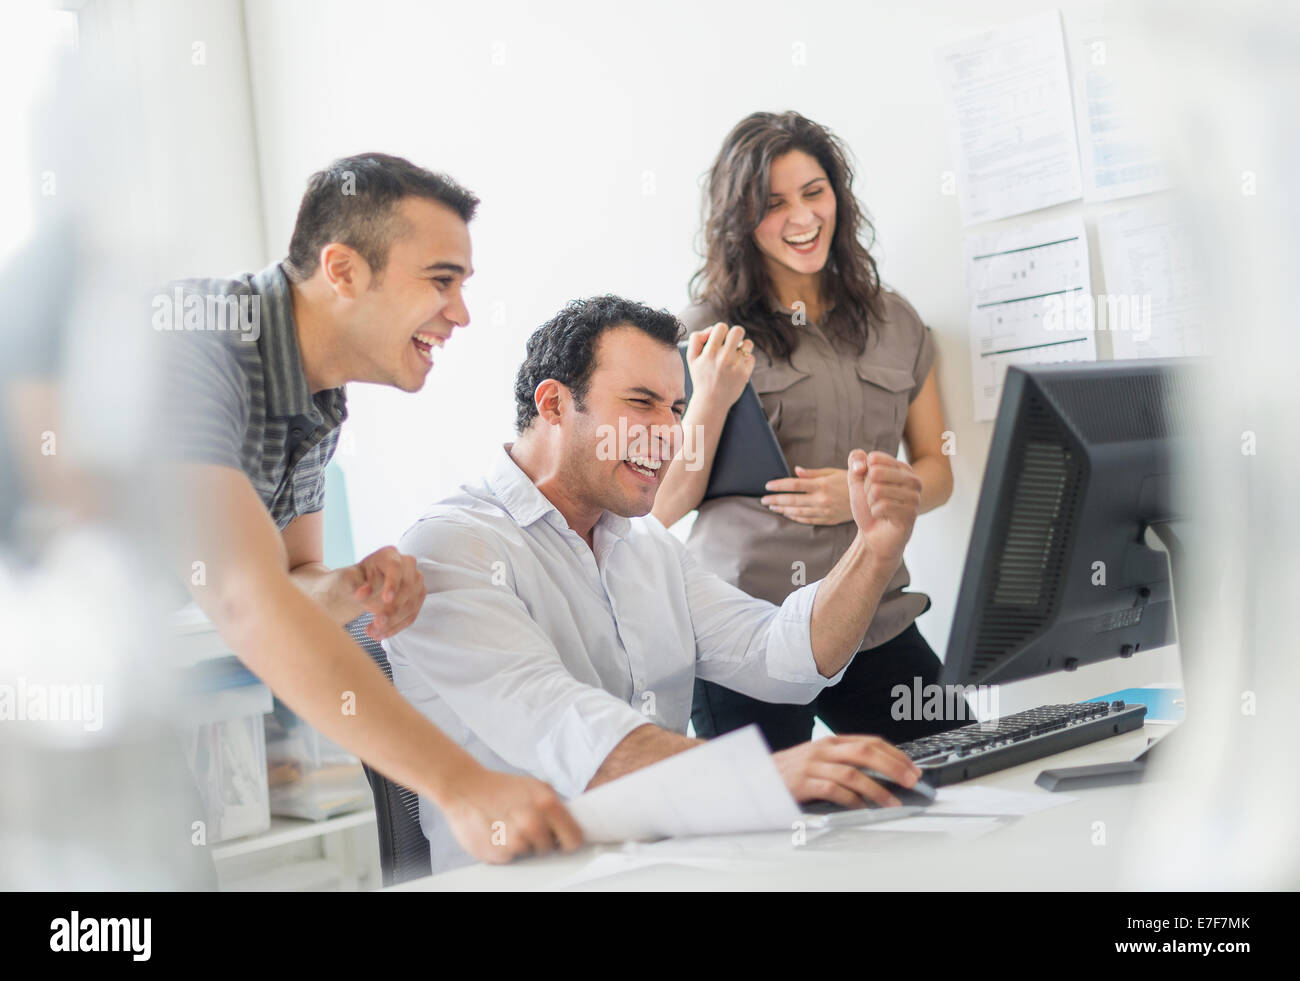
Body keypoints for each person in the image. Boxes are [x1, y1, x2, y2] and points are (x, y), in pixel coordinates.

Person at [385, 295, 926, 870]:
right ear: (554, 404)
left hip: (666, 865)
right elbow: (566, 728)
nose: (670, 434)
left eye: (675, 409)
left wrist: (874, 549)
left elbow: (783, 658)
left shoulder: (646, 549)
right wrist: (761, 775)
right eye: (642, 403)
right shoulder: (450, 549)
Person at [154, 153, 580, 864]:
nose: (462, 313)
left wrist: (355, 586)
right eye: (441, 280)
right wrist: (463, 785)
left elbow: (291, 583)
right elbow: (244, 600)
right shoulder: (198, 343)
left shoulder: (317, 396)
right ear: (343, 270)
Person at [652, 111, 959, 751]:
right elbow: (663, 503)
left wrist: (865, 494)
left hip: (872, 611)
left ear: (838, 197)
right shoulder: (702, 329)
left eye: (814, 193)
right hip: (746, 628)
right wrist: (708, 397)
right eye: (773, 203)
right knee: (761, 826)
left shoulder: (896, 321)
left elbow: (937, 468)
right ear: (740, 219)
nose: (802, 218)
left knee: (964, 768)